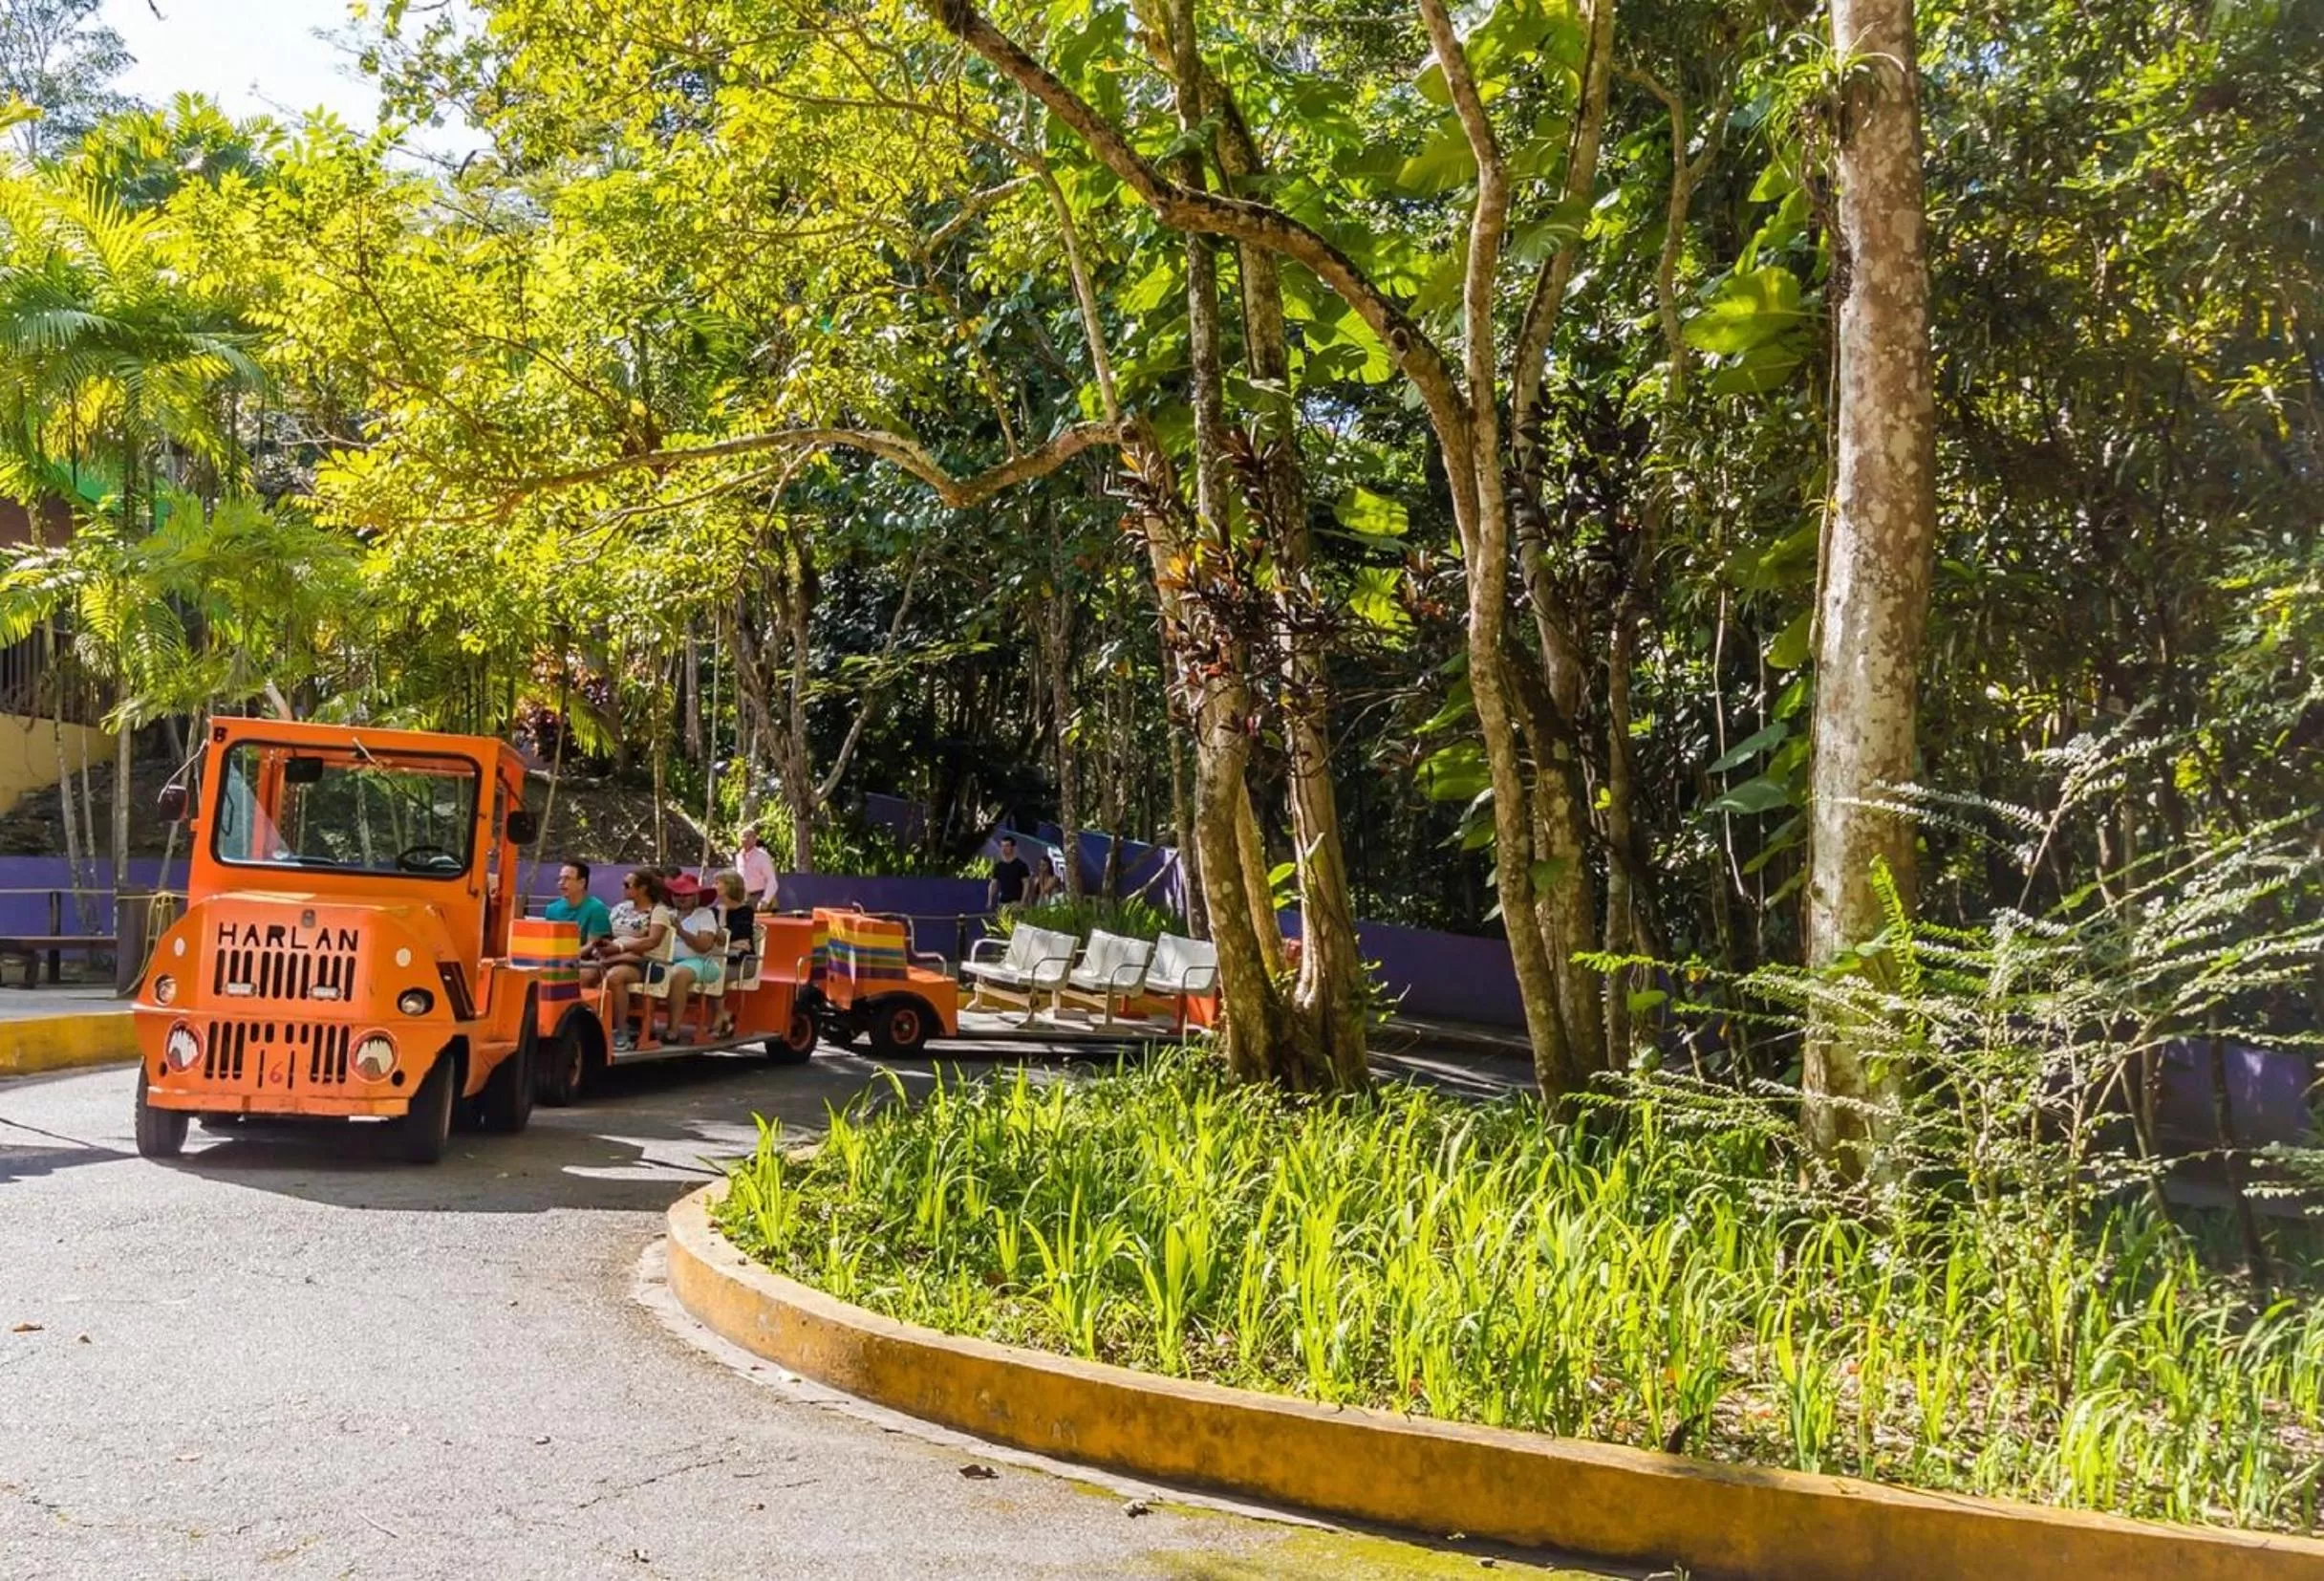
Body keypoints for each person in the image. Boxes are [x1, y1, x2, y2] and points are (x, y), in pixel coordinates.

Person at [593, 869, 671, 1051]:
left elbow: (652, 941)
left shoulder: (658, 911)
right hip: (614, 956)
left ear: (643, 888)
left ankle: (621, 1032)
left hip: (648, 963)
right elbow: (609, 933)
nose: (623, 888)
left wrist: (620, 948)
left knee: (614, 977)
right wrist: (603, 944)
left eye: (627, 885)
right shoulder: (621, 908)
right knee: (586, 973)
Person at [658, 872, 727, 1046]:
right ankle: (637, 1026)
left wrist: (681, 931)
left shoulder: (704, 915)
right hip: (668, 961)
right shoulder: (667, 913)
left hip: (703, 962)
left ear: (696, 896)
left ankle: (673, 1031)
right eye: (677, 894)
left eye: (687, 894)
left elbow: (704, 946)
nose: (681, 898)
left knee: (677, 974)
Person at [544, 861, 613, 985]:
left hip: (587, 962)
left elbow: (591, 945)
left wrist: (564, 957)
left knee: (581, 975)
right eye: (560, 879)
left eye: (567, 879)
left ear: (582, 883)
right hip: (556, 959)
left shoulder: (597, 908)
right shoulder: (551, 909)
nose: (561, 883)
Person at [734, 826, 779, 910]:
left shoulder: (762, 856)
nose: (745, 839)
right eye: (743, 836)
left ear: (755, 840)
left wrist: (765, 900)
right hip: (744, 899)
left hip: (760, 897)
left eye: (749, 836)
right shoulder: (739, 857)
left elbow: (772, 880)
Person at [987, 834, 1033, 912]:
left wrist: (1022, 901)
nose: (1004, 849)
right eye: (1002, 846)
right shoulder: (998, 866)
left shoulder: (1021, 865)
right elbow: (993, 883)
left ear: (1013, 847)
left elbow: (1026, 883)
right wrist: (990, 900)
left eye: (1007, 846)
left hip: (1016, 902)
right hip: (1003, 902)